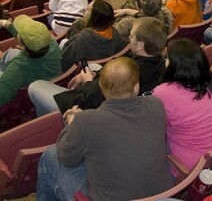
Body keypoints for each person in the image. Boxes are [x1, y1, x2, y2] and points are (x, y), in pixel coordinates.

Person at [36, 57, 173, 201]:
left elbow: (66, 158)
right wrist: (84, 120)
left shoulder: (86, 122)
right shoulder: (156, 105)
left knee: (50, 155)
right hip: (159, 195)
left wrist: (72, 124)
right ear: (136, 86)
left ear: (101, 86)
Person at [30, 16, 168, 117]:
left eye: (131, 36)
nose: (129, 39)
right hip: (112, 100)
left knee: (35, 86)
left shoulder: (125, 71)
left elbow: (90, 98)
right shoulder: (162, 66)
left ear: (140, 45)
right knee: (95, 66)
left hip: (84, 109)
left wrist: (88, 82)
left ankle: (57, 126)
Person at [152, 39, 212, 170]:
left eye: (168, 59)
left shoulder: (162, 93)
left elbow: (155, 126)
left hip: (198, 166)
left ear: (174, 65)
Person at [0, 15, 61, 106]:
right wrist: (6, 24)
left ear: (22, 46)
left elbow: (2, 97)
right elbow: (30, 40)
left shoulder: (17, 68)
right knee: (11, 53)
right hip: (46, 78)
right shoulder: (52, 43)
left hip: (25, 92)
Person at [61, 0, 127, 71]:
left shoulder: (81, 39)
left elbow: (64, 64)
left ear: (94, 18)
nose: (85, 11)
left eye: (87, 9)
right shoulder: (115, 33)